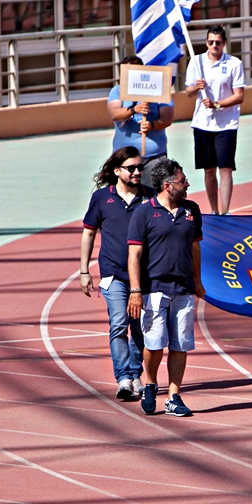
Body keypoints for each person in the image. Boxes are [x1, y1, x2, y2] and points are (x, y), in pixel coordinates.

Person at [127, 158, 204, 417]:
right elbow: (134, 254)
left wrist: (198, 281)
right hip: (154, 290)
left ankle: (174, 396)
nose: (188, 184)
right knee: (155, 343)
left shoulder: (192, 210)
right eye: (183, 181)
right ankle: (150, 383)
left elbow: (195, 247)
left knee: (181, 344)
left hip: (183, 290)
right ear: (168, 186)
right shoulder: (144, 212)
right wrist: (136, 291)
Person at [80, 147, 150, 401]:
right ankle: (123, 377)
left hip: (143, 277)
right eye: (131, 168)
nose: (137, 172)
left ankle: (135, 374)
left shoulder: (149, 198)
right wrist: (84, 270)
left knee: (140, 327)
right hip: (112, 273)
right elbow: (89, 232)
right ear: (117, 171)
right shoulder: (101, 199)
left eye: (139, 167)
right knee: (119, 323)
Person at [186, 25, 246, 215]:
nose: (214, 46)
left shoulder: (234, 64)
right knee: (209, 170)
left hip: (226, 124)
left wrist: (217, 104)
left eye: (218, 43)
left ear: (224, 43)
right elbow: (188, 92)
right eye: (210, 42)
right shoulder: (196, 62)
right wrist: (196, 87)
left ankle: (225, 211)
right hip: (203, 124)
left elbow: (239, 96)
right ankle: (214, 210)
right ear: (206, 42)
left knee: (226, 169)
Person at [107, 56, 174, 189]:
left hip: (154, 157)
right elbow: (114, 114)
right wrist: (133, 110)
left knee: (155, 196)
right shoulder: (117, 91)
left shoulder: (157, 89)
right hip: (124, 158)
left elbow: (168, 117)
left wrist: (152, 125)